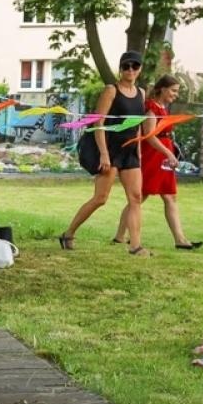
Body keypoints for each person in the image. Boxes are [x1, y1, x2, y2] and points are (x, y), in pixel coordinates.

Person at [59, 50, 149, 255]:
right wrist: (104, 153)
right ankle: (68, 233)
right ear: (121, 69)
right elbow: (98, 122)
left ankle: (135, 246)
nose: (130, 70)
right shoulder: (111, 90)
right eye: (126, 66)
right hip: (110, 149)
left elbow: (137, 125)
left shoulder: (141, 93)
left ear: (140, 69)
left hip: (130, 151)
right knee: (100, 198)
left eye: (135, 66)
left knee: (135, 198)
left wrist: (139, 151)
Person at [116, 74, 201, 251]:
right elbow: (150, 136)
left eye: (177, 91)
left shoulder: (163, 107)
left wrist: (170, 151)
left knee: (169, 195)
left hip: (163, 155)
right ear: (162, 89)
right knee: (140, 196)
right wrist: (168, 153)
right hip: (153, 155)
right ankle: (120, 236)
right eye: (173, 91)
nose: (176, 94)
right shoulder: (152, 109)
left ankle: (180, 239)